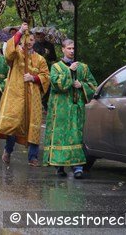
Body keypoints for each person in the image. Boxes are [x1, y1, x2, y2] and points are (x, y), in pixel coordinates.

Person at [0, 23, 50, 166]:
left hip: (33, 96)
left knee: (34, 125)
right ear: (22, 40)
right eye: (27, 39)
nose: (29, 42)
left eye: (32, 39)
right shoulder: (17, 54)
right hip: (16, 93)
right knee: (14, 123)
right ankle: (8, 150)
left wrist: (34, 78)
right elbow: (8, 52)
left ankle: (33, 157)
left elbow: (46, 76)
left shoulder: (40, 59)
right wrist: (20, 31)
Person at [43, 40, 97, 178]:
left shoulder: (83, 68)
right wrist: (69, 71)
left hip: (76, 109)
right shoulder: (56, 67)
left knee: (76, 136)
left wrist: (82, 85)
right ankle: (59, 166)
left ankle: (78, 167)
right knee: (61, 137)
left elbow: (94, 86)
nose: (71, 51)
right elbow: (57, 84)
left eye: (73, 48)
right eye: (69, 48)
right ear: (63, 49)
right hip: (60, 109)